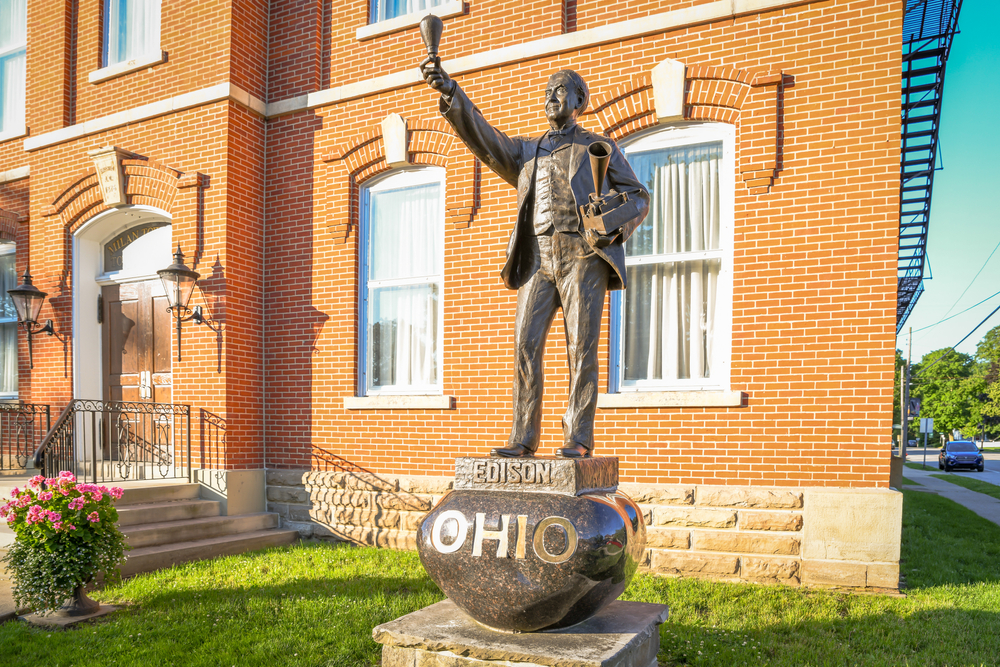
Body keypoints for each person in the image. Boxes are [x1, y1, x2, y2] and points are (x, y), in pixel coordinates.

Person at [421, 60, 650, 459]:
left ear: (579, 100)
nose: (550, 96)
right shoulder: (526, 152)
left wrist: (605, 222)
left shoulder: (598, 147)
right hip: (537, 258)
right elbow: (484, 137)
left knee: (581, 347)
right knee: (525, 343)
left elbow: (640, 197)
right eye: (547, 90)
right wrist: (451, 94)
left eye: (559, 89)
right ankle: (523, 437)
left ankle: (578, 437)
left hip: (582, 255)